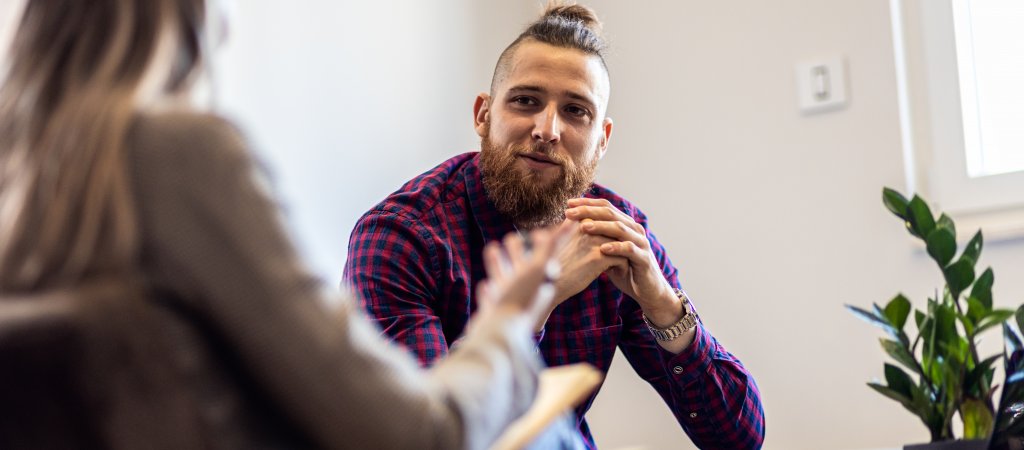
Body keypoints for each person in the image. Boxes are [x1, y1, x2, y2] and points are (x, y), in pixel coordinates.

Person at [0, 0, 573, 448]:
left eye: (575, 110)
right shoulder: (174, 156)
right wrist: (509, 321)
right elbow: (417, 436)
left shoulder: (21, 182)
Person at [344, 2, 766, 448]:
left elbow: (738, 439)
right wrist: (533, 307)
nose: (547, 129)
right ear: (483, 116)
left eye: (575, 111)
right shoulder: (400, 237)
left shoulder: (618, 234)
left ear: (601, 141)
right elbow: (423, 437)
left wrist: (663, 305)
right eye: (526, 101)